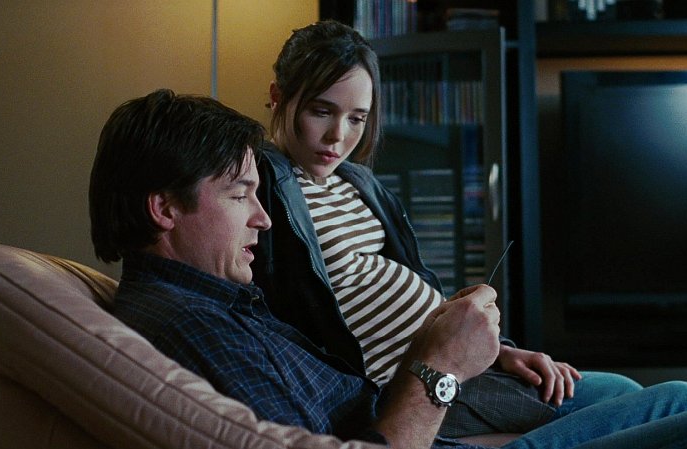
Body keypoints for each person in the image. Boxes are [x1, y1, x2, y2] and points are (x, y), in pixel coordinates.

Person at [89, 88, 687, 449]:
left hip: (440, 428)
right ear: (164, 207)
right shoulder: (190, 330)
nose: (262, 217)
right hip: (430, 419)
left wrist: (482, 367)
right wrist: (441, 364)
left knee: (679, 398)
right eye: (240, 194)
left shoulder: (217, 303)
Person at [251, 19, 638, 436]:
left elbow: (418, 283)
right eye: (321, 111)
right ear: (277, 97)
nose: (338, 136)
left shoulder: (356, 180)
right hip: (409, 390)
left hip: (454, 365)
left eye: (357, 118)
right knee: (654, 402)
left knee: (623, 390)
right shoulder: (260, 185)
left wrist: (498, 352)